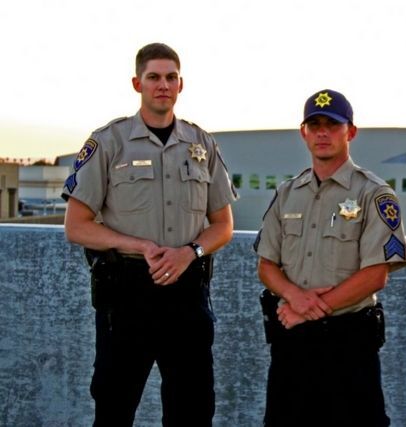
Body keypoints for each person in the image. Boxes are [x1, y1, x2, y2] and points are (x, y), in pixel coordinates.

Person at [61, 43, 237, 426]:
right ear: (137, 83)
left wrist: (190, 251)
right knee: (114, 407)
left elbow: (223, 226)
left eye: (171, 77)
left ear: (181, 84)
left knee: (192, 410)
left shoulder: (202, 144)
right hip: (127, 295)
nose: (163, 85)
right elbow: (76, 226)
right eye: (154, 77)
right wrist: (138, 245)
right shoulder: (109, 142)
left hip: (187, 293)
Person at [254, 89, 406, 426]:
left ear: (350, 132)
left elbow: (376, 275)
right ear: (303, 133)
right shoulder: (287, 193)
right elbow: (266, 265)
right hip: (292, 343)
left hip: (348, 345)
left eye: (332, 125)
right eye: (315, 125)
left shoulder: (374, 193)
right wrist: (295, 297)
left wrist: (308, 310)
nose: (322, 132)